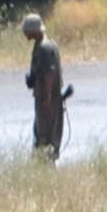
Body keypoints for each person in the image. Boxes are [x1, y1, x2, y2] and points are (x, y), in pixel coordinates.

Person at [23, 13, 70, 161]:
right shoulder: (41, 46)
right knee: (40, 134)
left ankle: (45, 167)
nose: (25, 33)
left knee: (46, 137)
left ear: (34, 30)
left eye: (27, 30)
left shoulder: (45, 47)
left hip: (48, 101)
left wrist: (46, 98)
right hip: (44, 98)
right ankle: (42, 166)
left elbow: (50, 74)